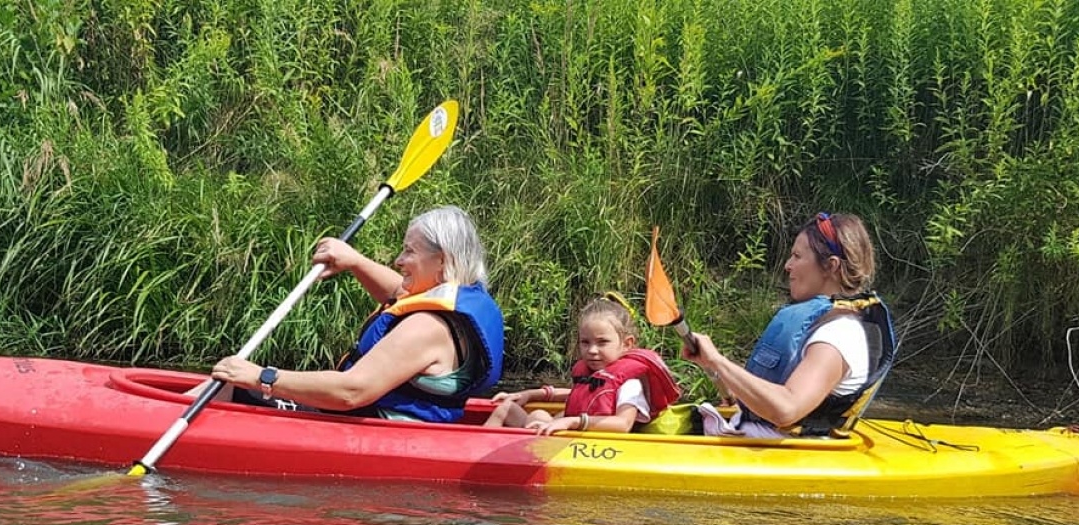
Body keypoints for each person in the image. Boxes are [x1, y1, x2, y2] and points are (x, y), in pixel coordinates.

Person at [206, 205, 504, 422]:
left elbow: (351, 391)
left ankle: (175, 431)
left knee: (230, 384)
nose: (399, 260)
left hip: (377, 432)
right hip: (384, 421)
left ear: (441, 260)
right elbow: (396, 292)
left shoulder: (427, 327)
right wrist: (354, 261)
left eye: (409, 252)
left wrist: (262, 376)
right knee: (229, 381)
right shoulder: (452, 299)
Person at [683, 212, 897, 438]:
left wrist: (717, 362)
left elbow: (787, 409)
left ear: (830, 266)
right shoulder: (825, 324)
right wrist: (738, 392)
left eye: (797, 256)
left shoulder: (839, 334)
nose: (788, 265)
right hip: (750, 442)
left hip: (779, 459)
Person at [484, 294, 681, 435]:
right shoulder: (595, 374)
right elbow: (583, 393)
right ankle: (476, 454)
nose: (592, 350)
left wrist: (573, 421)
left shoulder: (631, 385)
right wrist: (530, 394)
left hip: (595, 445)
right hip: (566, 432)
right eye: (585, 342)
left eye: (602, 342)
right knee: (507, 408)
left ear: (627, 344)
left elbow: (623, 424)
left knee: (539, 416)